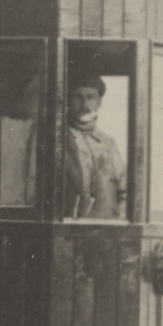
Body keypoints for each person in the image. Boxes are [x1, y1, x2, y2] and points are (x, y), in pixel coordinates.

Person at [64, 70, 127, 219]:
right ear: (67, 100)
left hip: (106, 229)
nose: (84, 105)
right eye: (78, 97)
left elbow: (125, 191)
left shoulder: (108, 144)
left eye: (90, 97)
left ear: (99, 102)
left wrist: (117, 222)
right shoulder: (57, 141)